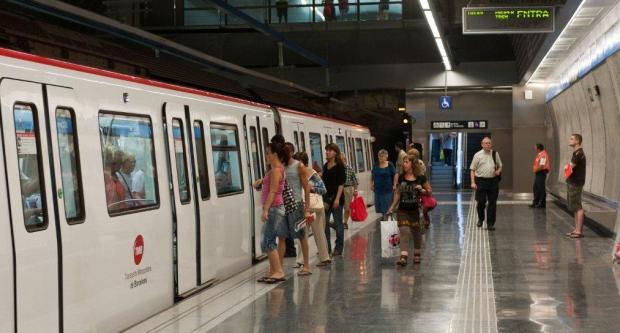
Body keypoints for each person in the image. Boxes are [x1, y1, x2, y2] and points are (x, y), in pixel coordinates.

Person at [253, 142, 287, 284]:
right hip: (275, 208)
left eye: (268, 153)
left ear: (275, 154)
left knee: (267, 241)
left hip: (273, 208)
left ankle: (278, 271)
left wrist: (266, 209)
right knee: (268, 240)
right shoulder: (276, 170)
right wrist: (262, 181)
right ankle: (273, 271)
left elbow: (273, 191)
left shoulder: (276, 170)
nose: (266, 156)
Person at [387, 155, 431, 265]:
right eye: (404, 162)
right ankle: (403, 256)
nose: (404, 164)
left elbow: (429, 191)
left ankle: (417, 254)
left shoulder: (421, 178)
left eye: (406, 162)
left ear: (413, 164)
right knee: (404, 231)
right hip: (402, 210)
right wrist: (392, 207)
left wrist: (423, 190)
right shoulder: (401, 177)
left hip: (416, 210)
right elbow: (398, 194)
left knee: (416, 233)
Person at [295, 152, 332, 266]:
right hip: (301, 208)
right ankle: (300, 260)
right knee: (301, 235)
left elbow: (323, 189)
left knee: (319, 233)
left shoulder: (312, 173)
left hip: (314, 209)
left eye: (297, 162)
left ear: (303, 162)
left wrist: (310, 189)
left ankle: (325, 258)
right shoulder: (296, 174)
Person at [282, 142, 313, 276]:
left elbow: (306, 187)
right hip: (283, 205)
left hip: (297, 205)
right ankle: (279, 268)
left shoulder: (299, 166)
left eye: (288, 151)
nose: (285, 153)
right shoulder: (281, 166)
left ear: (292, 152)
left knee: (301, 237)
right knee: (282, 236)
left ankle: (306, 265)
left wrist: (307, 209)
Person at [271, 134, 297, 257]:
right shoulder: (284, 156)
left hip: (284, 197)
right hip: (287, 196)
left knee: (284, 227)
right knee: (285, 227)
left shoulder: (280, 159)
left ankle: (290, 250)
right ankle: (289, 249)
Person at [470, 137, 502, 230]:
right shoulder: (477, 155)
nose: (488, 145)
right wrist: (473, 182)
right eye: (486, 143)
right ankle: (481, 218)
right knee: (481, 202)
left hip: (493, 181)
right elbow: (472, 169)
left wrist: (498, 171)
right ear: (482, 144)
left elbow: (500, 166)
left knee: (492, 203)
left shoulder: (495, 154)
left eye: (489, 143)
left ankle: (490, 224)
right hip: (481, 181)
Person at [322, 143, 346, 256]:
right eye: (326, 150)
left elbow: (341, 184)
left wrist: (337, 199)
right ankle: (327, 248)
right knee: (324, 224)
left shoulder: (340, 166)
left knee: (338, 224)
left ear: (335, 152)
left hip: (337, 199)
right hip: (326, 200)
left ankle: (339, 247)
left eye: (330, 150)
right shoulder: (325, 165)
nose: (327, 152)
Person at [566, 134, 586, 239]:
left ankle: (579, 231)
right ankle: (576, 229)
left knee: (578, 206)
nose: (569, 140)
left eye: (572, 138)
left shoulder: (578, 153)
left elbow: (570, 166)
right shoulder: (576, 153)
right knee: (575, 206)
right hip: (572, 182)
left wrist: (567, 166)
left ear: (577, 141)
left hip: (576, 183)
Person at [371, 149, 396, 218]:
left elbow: (395, 174)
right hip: (378, 189)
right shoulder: (375, 164)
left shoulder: (390, 164)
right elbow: (373, 174)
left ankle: (386, 219)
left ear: (386, 156)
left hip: (387, 189)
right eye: (380, 156)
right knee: (380, 205)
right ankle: (384, 217)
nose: (381, 158)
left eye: (383, 156)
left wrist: (394, 184)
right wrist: (371, 184)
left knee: (387, 205)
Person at [341, 152, 358, 229]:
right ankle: (339, 222)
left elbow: (355, 180)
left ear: (345, 159)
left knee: (347, 208)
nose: (341, 161)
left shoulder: (349, 168)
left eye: (342, 159)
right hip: (338, 189)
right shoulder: (336, 169)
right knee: (338, 208)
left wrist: (355, 190)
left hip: (347, 189)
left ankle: (345, 222)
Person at [531, 143, 551, 208]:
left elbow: (542, 165)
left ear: (538, 148)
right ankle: (536, 202)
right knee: (536, 188)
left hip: (541, 172)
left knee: (541, 188)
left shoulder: (543, 155)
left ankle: (542, 203)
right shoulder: (539, 154)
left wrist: (535, 170)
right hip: (538, 173)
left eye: (535, 147)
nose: (535, 149)